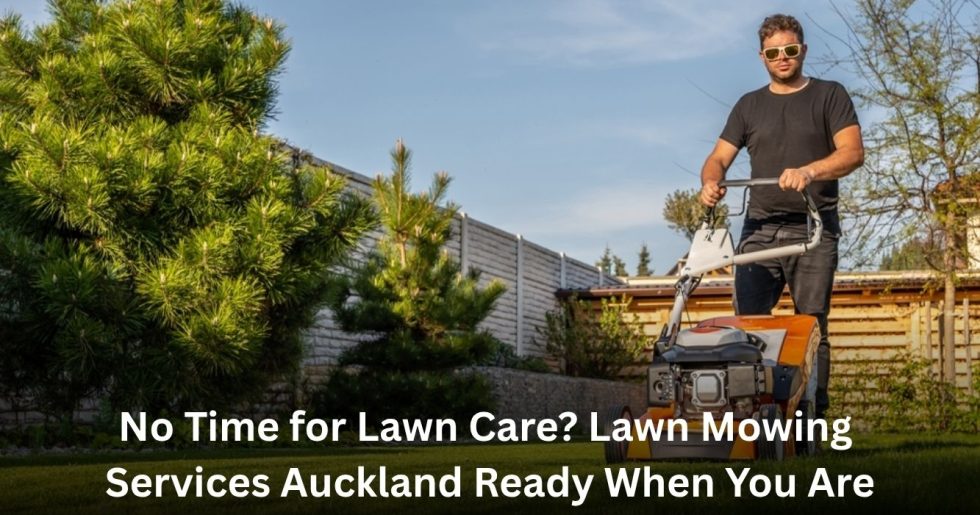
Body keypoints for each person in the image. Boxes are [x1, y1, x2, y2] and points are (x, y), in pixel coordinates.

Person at [698, 14, 864, 419]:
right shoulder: (749, 105)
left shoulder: (829, 95)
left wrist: (809, 171)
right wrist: (710, 182)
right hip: (759, 229)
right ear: (762, 57)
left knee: (810, 327)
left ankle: (810, 419)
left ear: (802, 50)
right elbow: (718, 157)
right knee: (746, 327)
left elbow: (852, 153)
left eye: (790, 50)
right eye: (774, 53)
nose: (783, 58)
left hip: (813, 228)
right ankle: (747, 415)